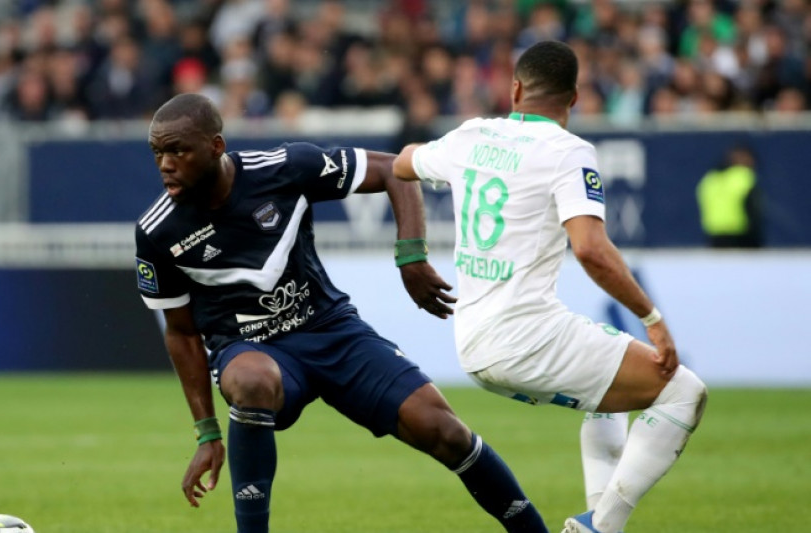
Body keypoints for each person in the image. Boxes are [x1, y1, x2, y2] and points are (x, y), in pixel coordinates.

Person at [133, 93, 548, 533]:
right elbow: (180, 333)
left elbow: (397, 168)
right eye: (158, 152)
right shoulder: (158, 231)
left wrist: (411, 255)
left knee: (444, 430)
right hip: (250, 348)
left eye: (179, 150)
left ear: (216, 146)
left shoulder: (282, 168)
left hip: (331, 331)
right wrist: (207, 433)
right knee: (250, 381)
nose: (166, 163)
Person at [392, 41, 708, 533]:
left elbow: (403, 163)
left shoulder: (471, 135)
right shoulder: (569, 151)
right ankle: (602, 526)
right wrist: (653, 320)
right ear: (575, 98)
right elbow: (591, 250)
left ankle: (599, 523)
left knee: (612, 400)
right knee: (685, 391)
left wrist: (427, 164)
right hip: (526, 335)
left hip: (474, 343)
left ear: (514, 89)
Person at [696, 144, 763, 248]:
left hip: (714, 234)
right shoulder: (743, 177)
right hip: (741, 235)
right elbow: (753, 208)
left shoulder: (710, 179)